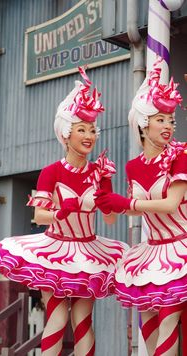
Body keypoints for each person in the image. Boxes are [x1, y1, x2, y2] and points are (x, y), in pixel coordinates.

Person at [0, 66, 128, 355]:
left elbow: (111, 219)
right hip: (55, 250)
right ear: (65, 134)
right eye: (81, 129)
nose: (88, 135)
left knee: (83, 321)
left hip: (89, 251)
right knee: (56, 318)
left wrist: (106, 203)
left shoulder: (101, 172)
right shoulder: (51, 172)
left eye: (92, 129)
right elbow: (39, 216)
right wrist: (61, 212)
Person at [94, 59, 187, 356]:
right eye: (161, 119)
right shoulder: (134, 166)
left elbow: (171, 204)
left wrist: (128, 203)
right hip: (152, 251)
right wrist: (109, 197)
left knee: (170, 319)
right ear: (143, 124)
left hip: (181, 248)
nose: (169, 126)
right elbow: (136, 210)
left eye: (171, 120)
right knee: (148, 320)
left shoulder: (180, 155)